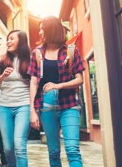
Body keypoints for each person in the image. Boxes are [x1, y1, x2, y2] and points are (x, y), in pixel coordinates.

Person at [28, 16, 85, 167]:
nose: (40, 32)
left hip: (69, 106)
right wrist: (32, 110)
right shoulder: (37, 54)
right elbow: (33, 83)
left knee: (72, 150)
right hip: (46, 108)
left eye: (42, 28)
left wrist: (58, 85)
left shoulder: (71, 51)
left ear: (51, 30)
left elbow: (80, 79)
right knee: (53, 153)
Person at [0, 30, 30, 167]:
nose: (8, 41)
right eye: (7, 39)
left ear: (21, 41)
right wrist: (2, 77)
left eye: (12, 39)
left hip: (24, 105)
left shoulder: (29, 60)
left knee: (19, 145)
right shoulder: (0, 60)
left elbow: (34, 84)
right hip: (4, 107)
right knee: (8, 148)